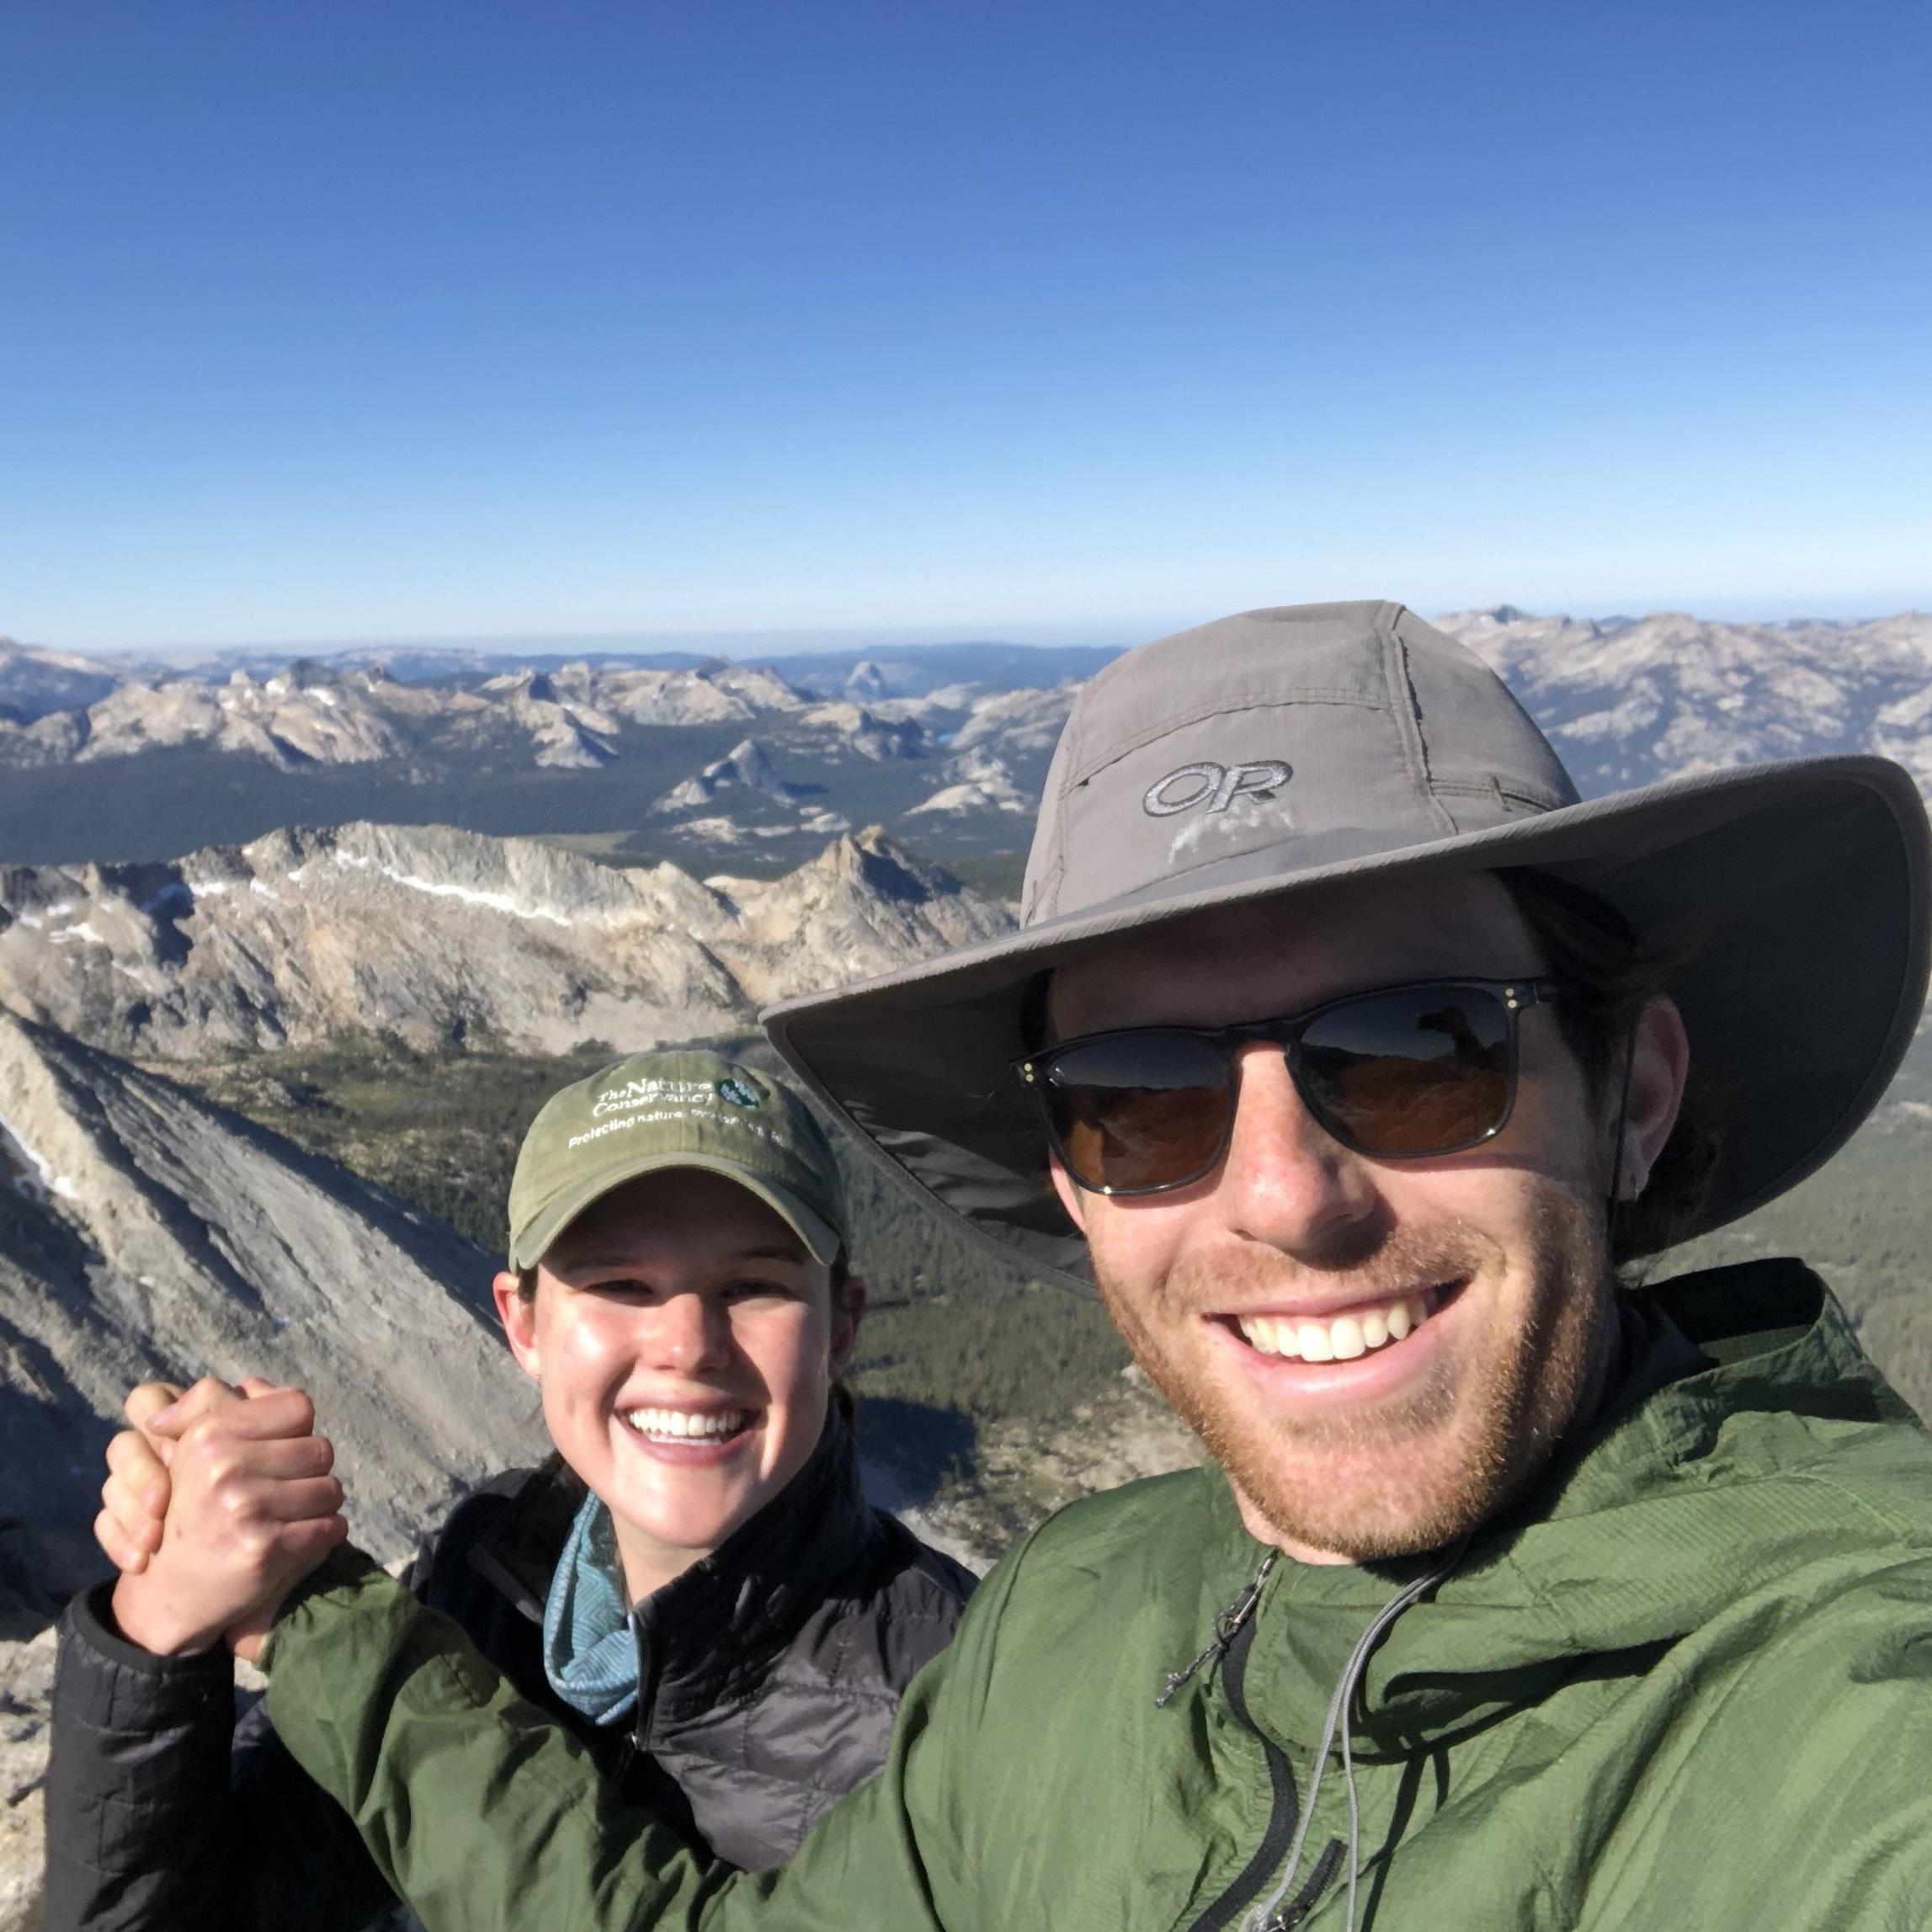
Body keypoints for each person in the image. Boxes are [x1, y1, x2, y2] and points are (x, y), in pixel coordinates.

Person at [70, 601, 1932, 1929]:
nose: (1284, 1194)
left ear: (1632, 1093)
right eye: (1142, 1096)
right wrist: (297, 1612)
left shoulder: (1846, 1713)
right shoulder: (1070, 1629)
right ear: (1073, 1171)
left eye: (1420, 1042)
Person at [43, 1047, 976, 1929]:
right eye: (621, 1284)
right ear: (521, 1325)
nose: (690, 1345)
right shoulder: (492, 1569)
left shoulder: (955, 1701)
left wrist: (307, 1610)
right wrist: (159, 1631)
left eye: (752, 1287)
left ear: (838, 1327)